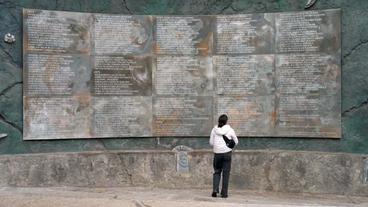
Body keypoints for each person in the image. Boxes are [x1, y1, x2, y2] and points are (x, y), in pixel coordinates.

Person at [209, 114, 238, 198]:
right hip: (227, 154)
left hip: (217, 154)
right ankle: (224, 193)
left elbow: (211, 143)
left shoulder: (214, 130)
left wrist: (218, 146)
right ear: (226, 121)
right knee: (226, 173)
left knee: (217, 171)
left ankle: (215, 190)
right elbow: (236, 141)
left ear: (219, 121)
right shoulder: (230, 130)